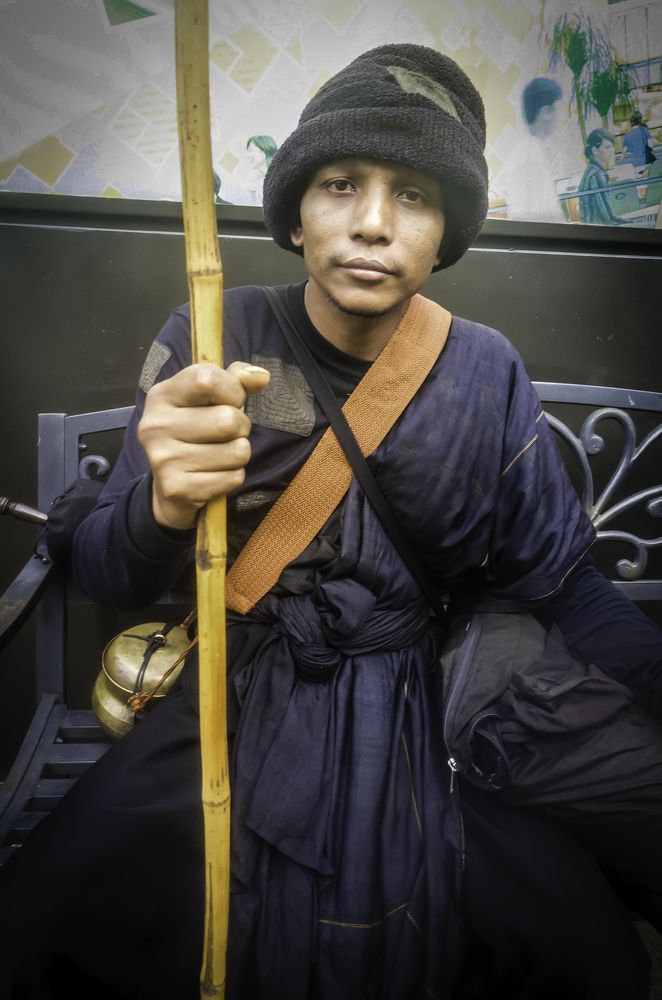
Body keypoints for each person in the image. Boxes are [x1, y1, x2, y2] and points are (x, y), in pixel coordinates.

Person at [0, 42, 660, 1000]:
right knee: (38, 935)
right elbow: (104, 569)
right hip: (236, 693)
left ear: (446, 234)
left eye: (417, 196)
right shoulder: (213, 336)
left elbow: (559, 577)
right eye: (342, 184)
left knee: (586, 956)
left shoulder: (483, 370)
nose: (375, 224)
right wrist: (163, 502)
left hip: (422, 702)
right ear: (298, 215)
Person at [503, 76, 565, 223]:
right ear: (546, 112)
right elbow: (538, 221)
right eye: (558, 109)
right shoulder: (530, 156)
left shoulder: (533, 150)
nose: (560, 116)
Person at [578, 127, 626, 226]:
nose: (612, 151)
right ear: (595, 150)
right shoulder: (596, 175)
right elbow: (606, 218)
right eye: (607, 147)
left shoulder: (593, 170)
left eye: (612, 146)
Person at [623, 110, 656, 174]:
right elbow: (651, 145)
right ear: (640, 120)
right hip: (645, 162)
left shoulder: (626, 135)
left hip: (634, 164)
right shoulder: (644, 130)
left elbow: (624, 153)